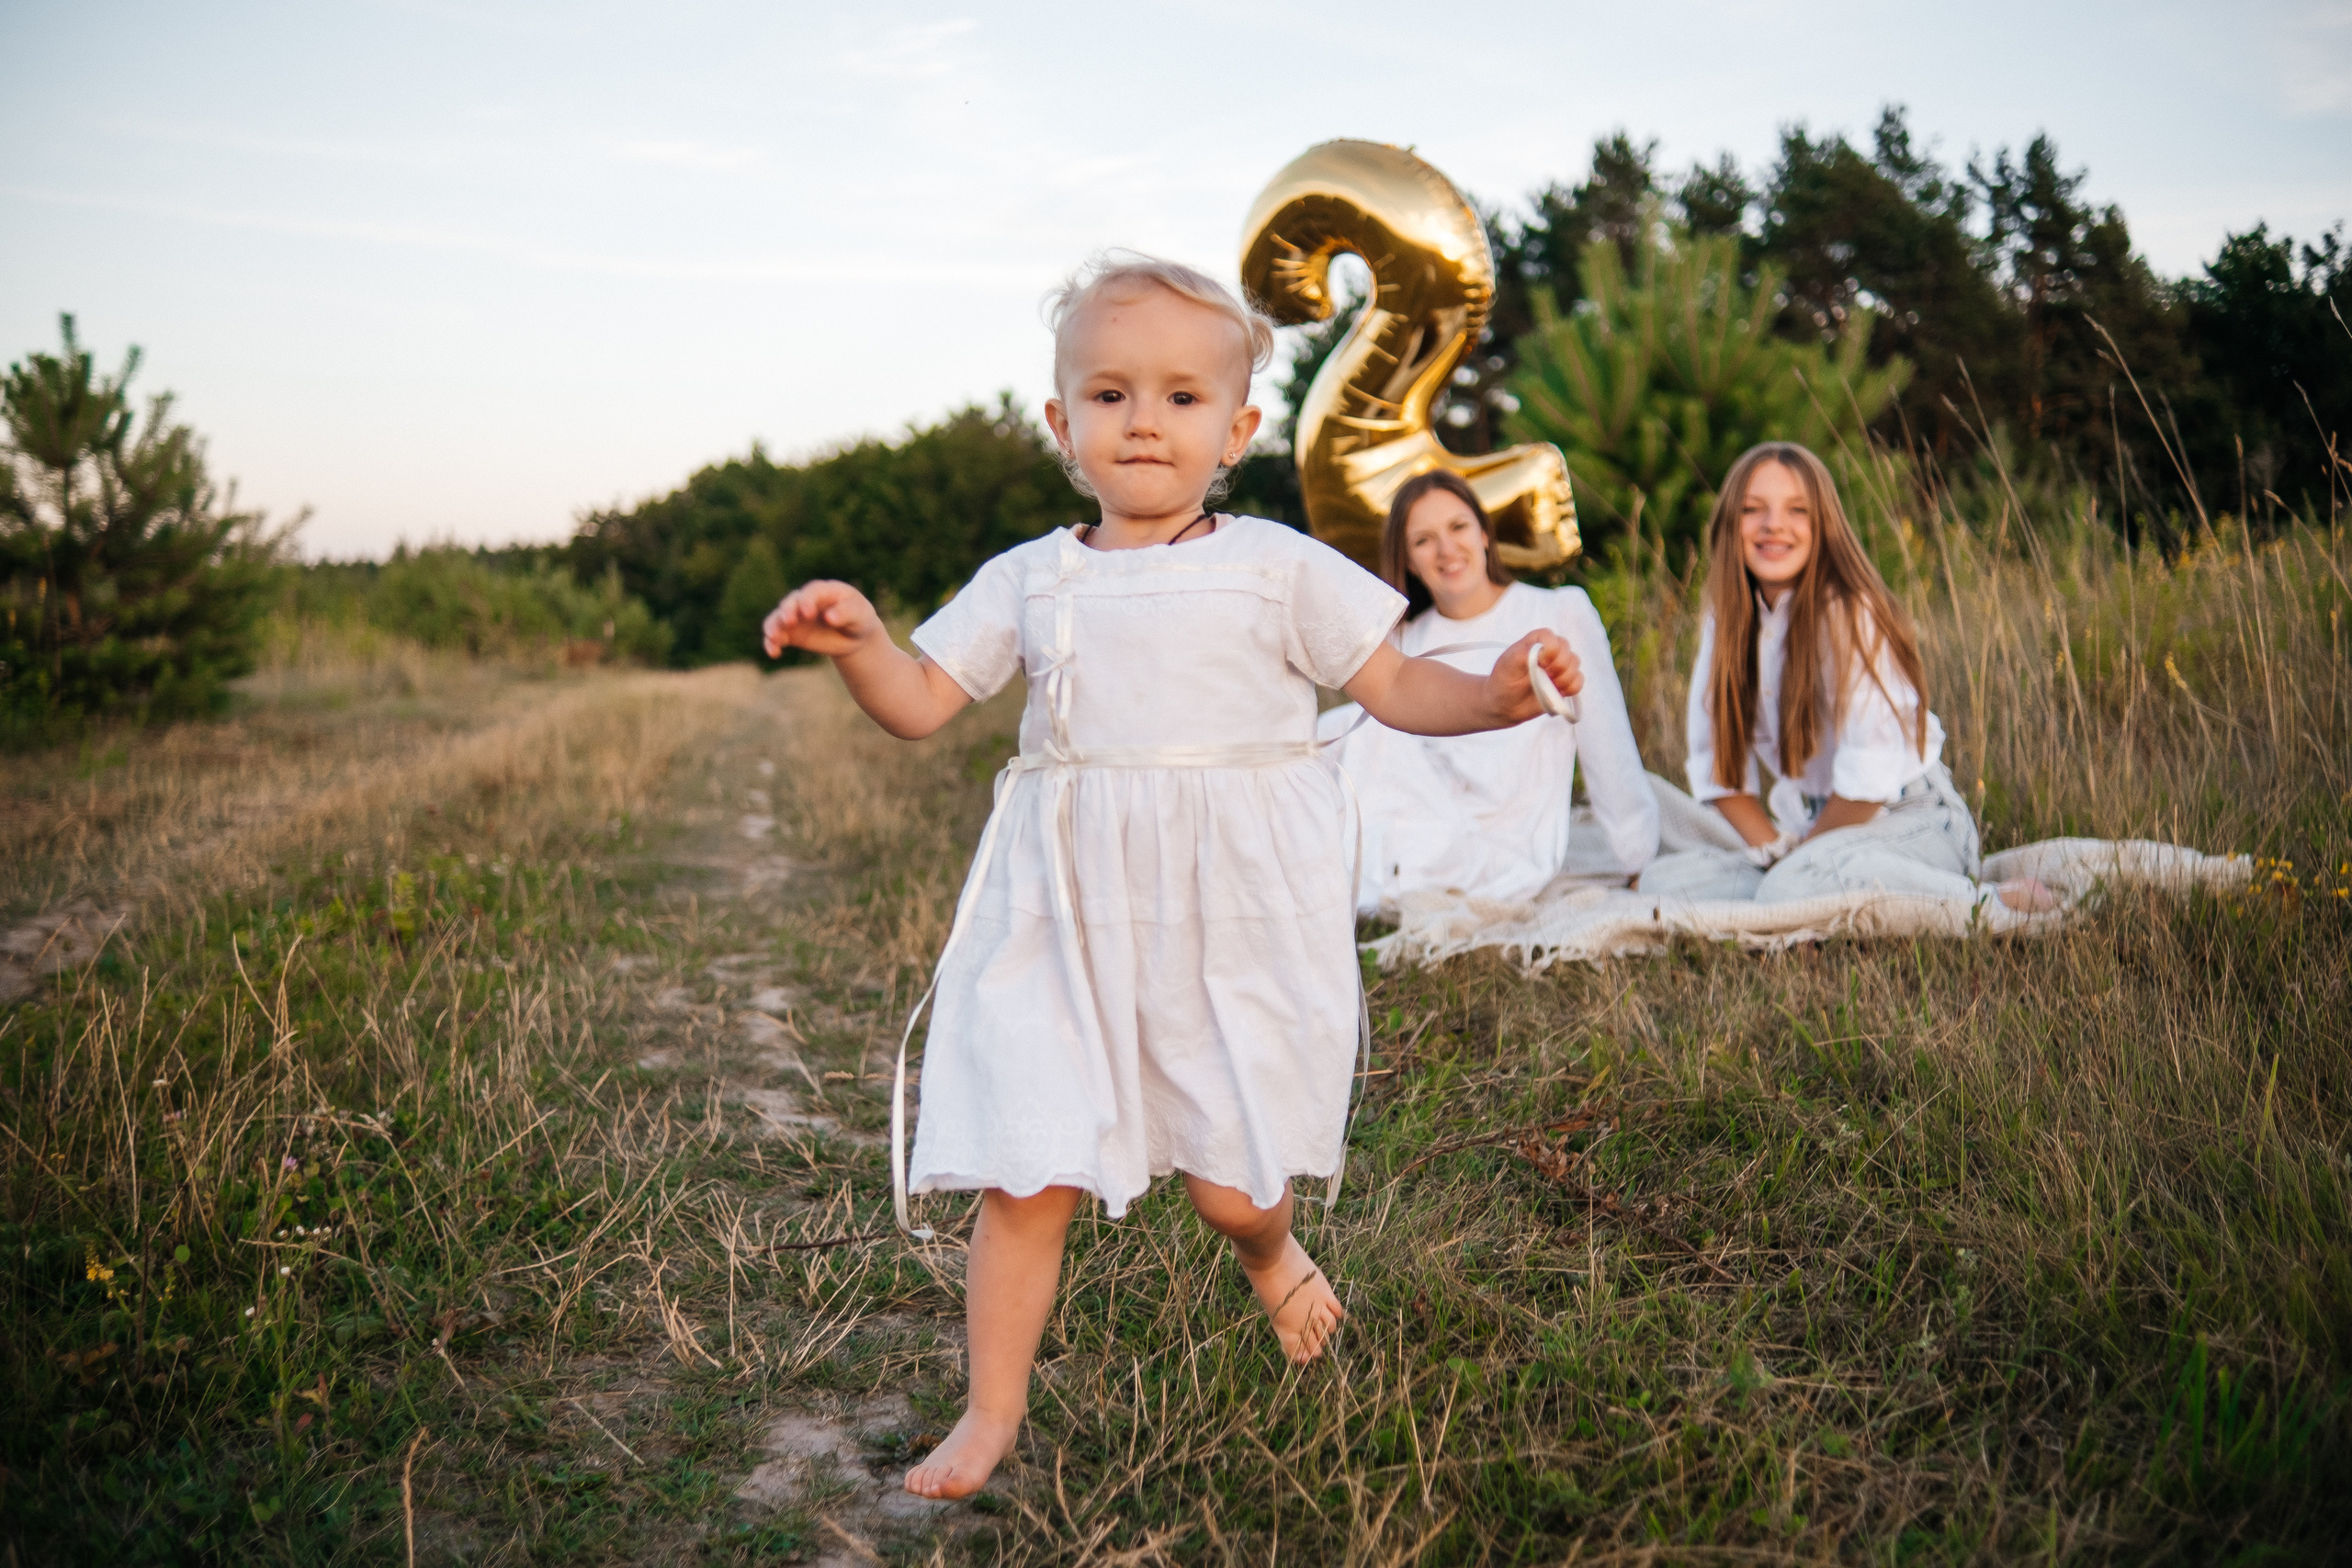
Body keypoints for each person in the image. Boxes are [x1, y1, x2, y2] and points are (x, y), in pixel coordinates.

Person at [761, 253, 1585, 1500]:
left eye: (1183, 397)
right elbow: (924, 702)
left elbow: (1400, 684)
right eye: (1109, 393)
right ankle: (990, 1408)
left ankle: (1271, 1249)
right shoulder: (1032, 575)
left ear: (1238, 428)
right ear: (1061, 424)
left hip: (1229, 912)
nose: (1145, 418)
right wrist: (865, 640)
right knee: (1026, 1163)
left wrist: (1497, 690)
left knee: (1229, 1182)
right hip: (1064, 910)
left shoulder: (1278, 562)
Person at [1637, 442, 2053, 912]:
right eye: (1753, 510)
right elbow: (1720, 771)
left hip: (1909, 818)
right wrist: (1777, 851)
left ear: (1824, 526)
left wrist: (1799, 862)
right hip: (1816, 829)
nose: (1773, 524)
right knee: (1664, 882)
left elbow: (1866, 786)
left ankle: (1988, 902)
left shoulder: (1850, 613)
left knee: (1789, 889)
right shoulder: (1728, 621)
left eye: (1798, 510)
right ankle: (1805, 888)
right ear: (1731, 524)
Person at [1319, 471, 1657, 911]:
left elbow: (1605, 739)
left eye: (1458, 528)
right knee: (1339, 730)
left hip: (1507, 834)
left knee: (1355, 732)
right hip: (1416, 820)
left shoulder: (1557, 611)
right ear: (1406, 559)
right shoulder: (1403, 641)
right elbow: (1378, 766)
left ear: (1484, 534)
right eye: (1423, 540)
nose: (1446, 550)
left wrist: (1637, 858)